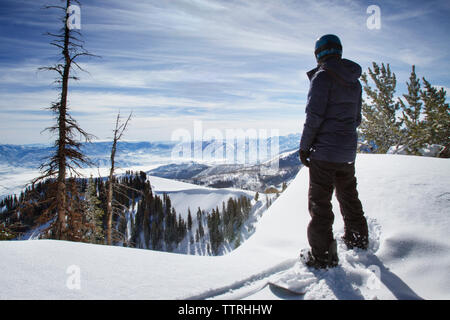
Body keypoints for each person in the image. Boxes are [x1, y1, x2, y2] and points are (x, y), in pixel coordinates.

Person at [299, 34, 369, 269]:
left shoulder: (322, 77)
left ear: (318, 54)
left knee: (320, 204)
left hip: (324, 154)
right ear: (338, 51)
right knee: (349, 196)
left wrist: (304, 147)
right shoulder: (354, 81)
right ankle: (358, 240)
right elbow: (356, 118)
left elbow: (314, 117)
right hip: (347, 153)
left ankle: (322, 257)